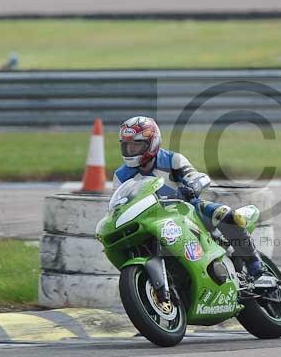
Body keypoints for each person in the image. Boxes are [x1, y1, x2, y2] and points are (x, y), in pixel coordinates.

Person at [113, 115, 265, 279]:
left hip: (188, 209)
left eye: (136, 145)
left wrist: (192, 186)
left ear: (152, 143)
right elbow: (119, 205)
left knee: (227, 215)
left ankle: (255, 264)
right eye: (127, 146)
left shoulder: (173, 159)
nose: (131, 150)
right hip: (150, 219)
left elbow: (198, 177)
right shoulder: (121, 176)